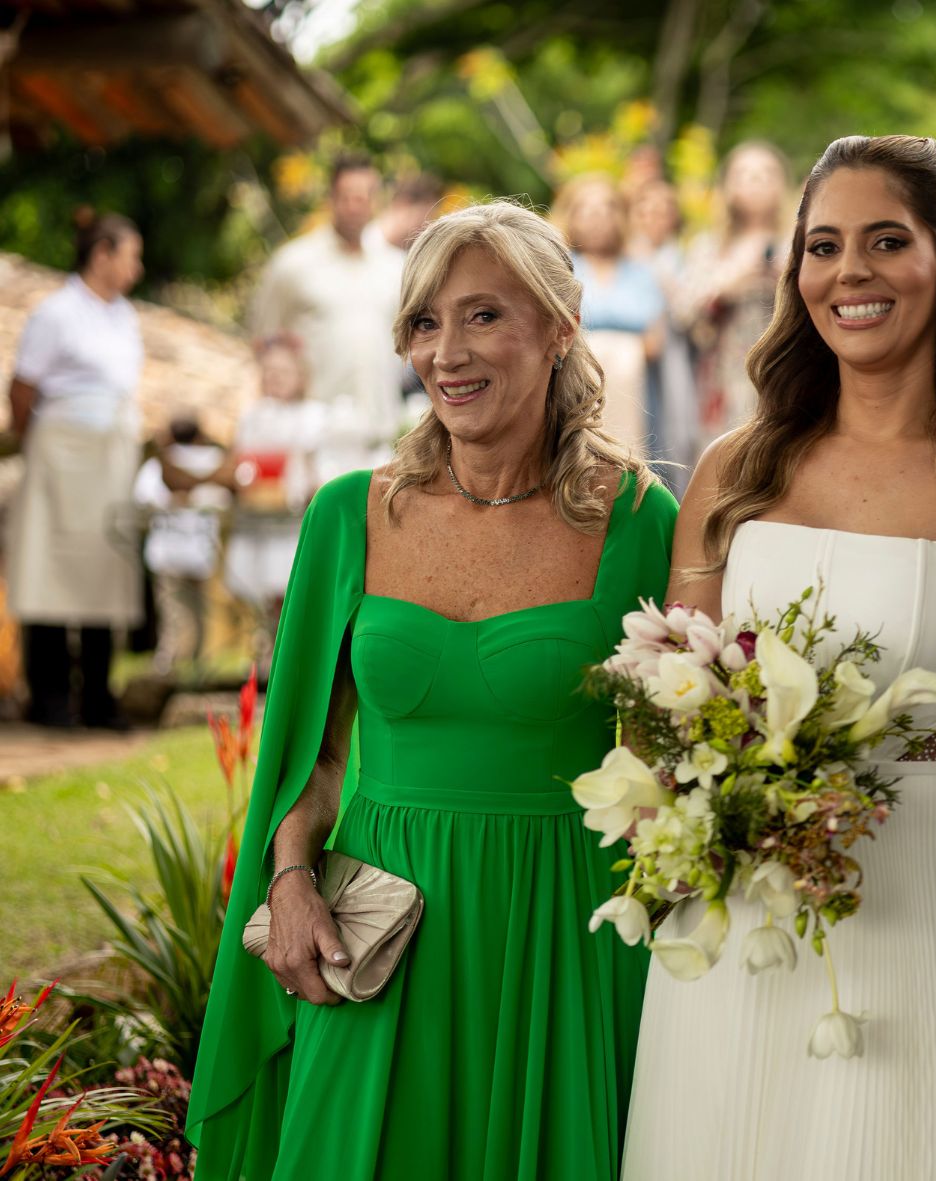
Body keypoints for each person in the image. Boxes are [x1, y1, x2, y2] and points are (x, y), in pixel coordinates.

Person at [187, 201, 677, 1180]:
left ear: (558, 327)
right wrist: (289, 881)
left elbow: (673, 762)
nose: (447, 351)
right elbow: (311, 757)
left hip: (561, 935)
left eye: (484, 315)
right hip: (380, 928)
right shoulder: (347, 514)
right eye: (424, 322)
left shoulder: (639, 518)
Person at [622, 134, 936, 1180]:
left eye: (884, 240)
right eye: (821, 245)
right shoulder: (735, 466)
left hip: (925, 890)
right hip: (741, 901)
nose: (847, 271)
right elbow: (665, 698)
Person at [7, 210, 146, 730]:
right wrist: (38, 442)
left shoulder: (125, 316)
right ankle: (48, 699)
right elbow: (23, 389)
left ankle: (97, 698)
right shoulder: (56, 313)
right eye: (130, 255)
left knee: (104, 571)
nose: (137, 267)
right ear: (102, 254)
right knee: (49, 570)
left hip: (110, 457)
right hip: (61, 453)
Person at [251, 155, 405, 472]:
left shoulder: (397, 268)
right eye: (346, 197)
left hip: (381, 438)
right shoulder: (292, 265)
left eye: (363, 197)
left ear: (376, 200)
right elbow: (263, 342)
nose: (354, 206)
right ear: (331, 199)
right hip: (315, 443)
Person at [219, 337, 330, 664]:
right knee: (263, 590)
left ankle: (293, 655)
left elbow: (318, 466)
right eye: (269, 372)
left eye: (283, 371)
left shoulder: (314, 415)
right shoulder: (253, 415)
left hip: (294, 519)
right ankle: (266, 652)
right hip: (259, 515)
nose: (276, 379)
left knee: (290, 587)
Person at [676, 141, 791, 453]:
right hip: (722, 378)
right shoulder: (708, 246)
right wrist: (728, 288)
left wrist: (784, 280)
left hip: (783, 371)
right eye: (745, 174)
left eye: (766, 173)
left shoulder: (797, 241)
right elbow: (685, 312)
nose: (756, 182)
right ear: (728, 185)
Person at [552, 174, 665, 450]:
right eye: (587, 210)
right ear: (571, 216)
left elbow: (655, 342)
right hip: (575, 389)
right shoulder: (561, 270)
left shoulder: (640, 271)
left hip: (634, 395)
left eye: (606, 209)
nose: (597, 218)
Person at [134, 418, 229, 678]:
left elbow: (142, 499)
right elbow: (224, 500)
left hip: (169, 552)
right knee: (201, 613)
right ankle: (200, 665)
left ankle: (170, 666)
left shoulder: (158, 464)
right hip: (203, 550)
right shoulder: (215, 460)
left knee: (173, 614)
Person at [629, 178, 698, 491]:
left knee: (678, 432)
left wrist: (653, 267)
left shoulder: (686, 257)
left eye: (662, 211)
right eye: (645, 211)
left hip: (677, 355)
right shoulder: (624, 259)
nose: (653, 219)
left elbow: (689, 310)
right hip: (635, 360)